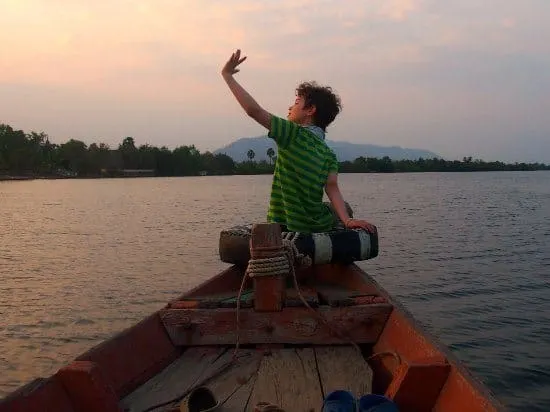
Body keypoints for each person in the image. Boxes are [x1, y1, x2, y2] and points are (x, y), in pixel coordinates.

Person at [221, 49, 376, 235]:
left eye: (296, 102)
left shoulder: (292, 134)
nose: (290, 107)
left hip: (285, 225)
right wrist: (348, 220)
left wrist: (227, 76)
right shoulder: (329, 154)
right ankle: (344, 218)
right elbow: (332, 188)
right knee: (344, 207)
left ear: (310, 110)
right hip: (318, 224)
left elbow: (254, 110)